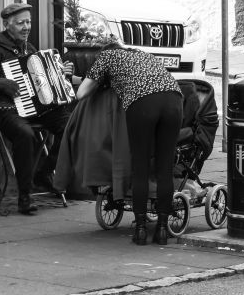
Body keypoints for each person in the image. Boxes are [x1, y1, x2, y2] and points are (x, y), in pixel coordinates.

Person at [0, 2, 74, 215]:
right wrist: (0, 83)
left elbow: (44, 81)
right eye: (20, 23)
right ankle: (24, 196)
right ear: (7, 24)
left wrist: (62, 73)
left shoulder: (30, 49)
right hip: (8, 109)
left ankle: (44, 173)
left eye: (28, 22)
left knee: (71, 125)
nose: (26, 27)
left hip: (37, 108)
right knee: (25, 135)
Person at [76, 41, 183, 245]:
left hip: (142, 102)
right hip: (174, 99)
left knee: (140, 167)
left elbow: (81, 93)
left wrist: (103, 83)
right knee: (164, 168)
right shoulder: (141, 54)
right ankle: (162, 230)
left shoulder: (106, 58)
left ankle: (141, 230)